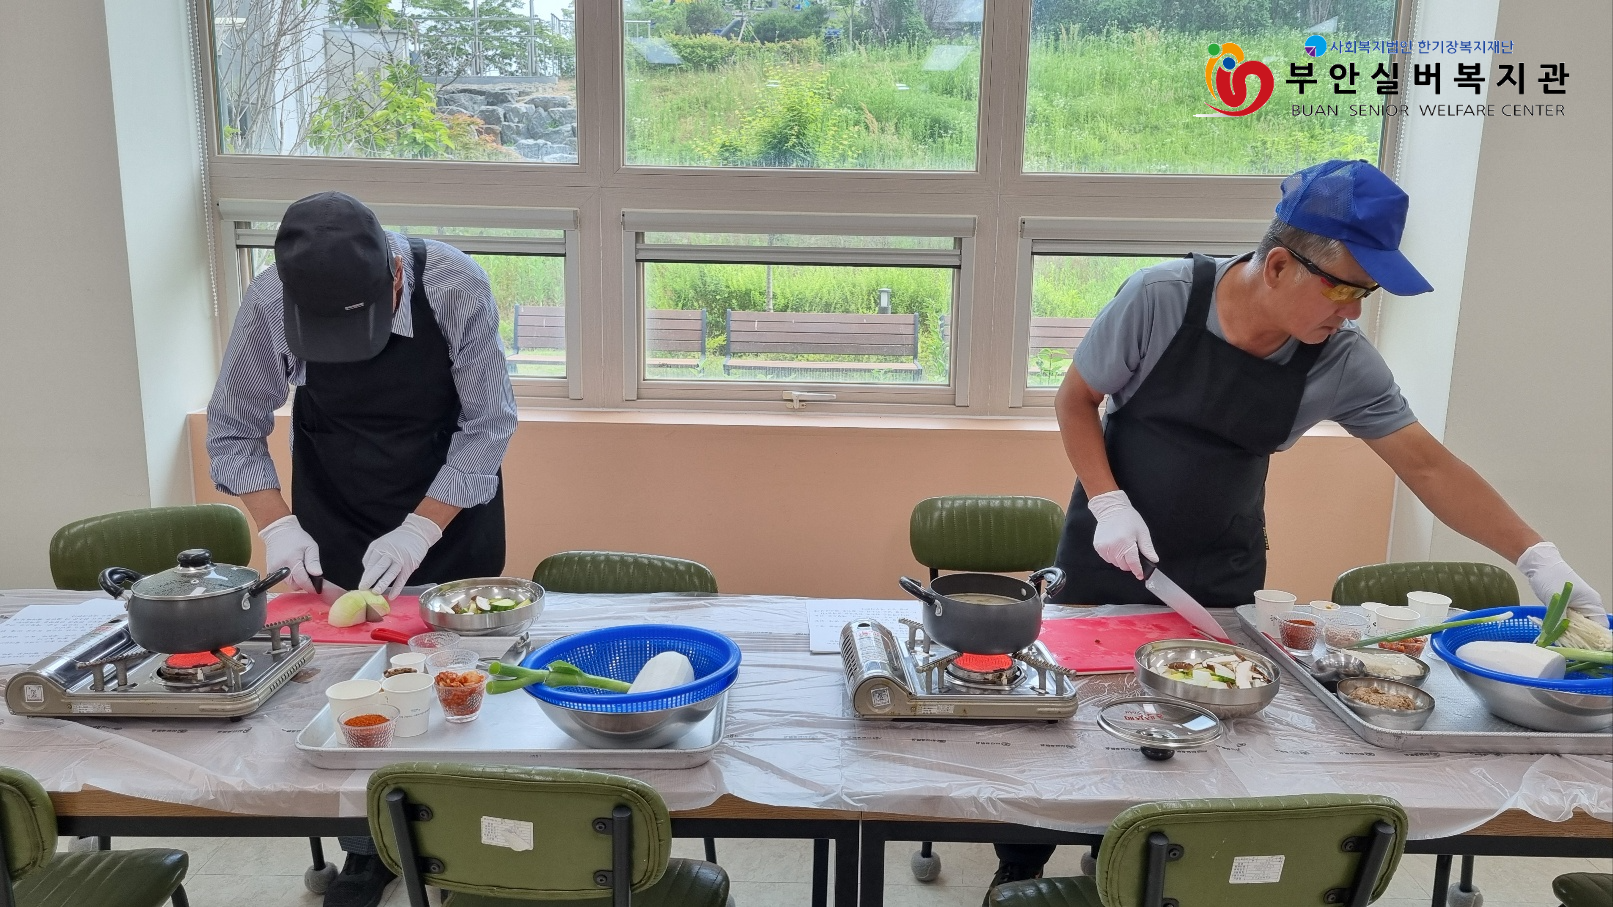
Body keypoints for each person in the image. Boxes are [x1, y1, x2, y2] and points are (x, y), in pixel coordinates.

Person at [989, 159, 1605, 891]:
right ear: (1279, 264)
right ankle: (1015, 872)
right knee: (1059, 725)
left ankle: (1126, 868)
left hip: (1219, 569)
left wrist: (1537, 557)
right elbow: (1075, 400)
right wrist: (1108, 504)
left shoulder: (1341, 362)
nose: (1353, 313)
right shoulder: (1160, 298)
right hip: (1107, 555)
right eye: (1344, 288)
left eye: (1366, 294)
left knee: (1187, 735)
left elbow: (1429, 467)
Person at [206, 191, 516, 907]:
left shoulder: (453, 284)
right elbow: (233, 427)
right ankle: (367, 846)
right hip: (335, 505)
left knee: (453, 677)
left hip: (447, 505)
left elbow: (488, 425)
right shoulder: (269, 300)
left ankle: (457, 841)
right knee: (350, 682)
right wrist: (278, 527)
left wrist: (421, 528)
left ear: (394, 276)